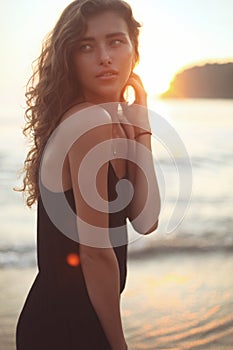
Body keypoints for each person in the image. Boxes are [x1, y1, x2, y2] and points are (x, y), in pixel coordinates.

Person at [16, 0, 160, 349]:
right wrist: (118, 343)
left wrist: (142, 127)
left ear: (134, 52)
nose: (104, 56)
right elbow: (95, 254)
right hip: (62, 326)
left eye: (115, 41)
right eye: (86, 46)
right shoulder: (88, 123)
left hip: (85, 313)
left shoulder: (116, 122)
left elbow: (145, 218)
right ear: (69, 58)